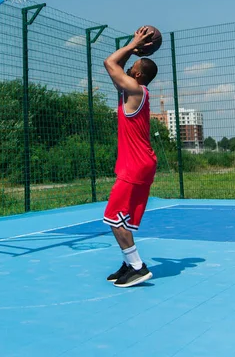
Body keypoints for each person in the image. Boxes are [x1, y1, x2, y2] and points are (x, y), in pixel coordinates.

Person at [103, 26, 158, 288]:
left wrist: (133, 42)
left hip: (134, 166)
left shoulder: (135, 91)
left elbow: (110, 62)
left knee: (113, 217)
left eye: (133, 65)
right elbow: (118, 68)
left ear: (136, 75)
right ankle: (128, 264)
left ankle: (137, 266)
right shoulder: (135, 92)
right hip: (142, 164)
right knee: (125, 218)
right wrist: (133, 49)